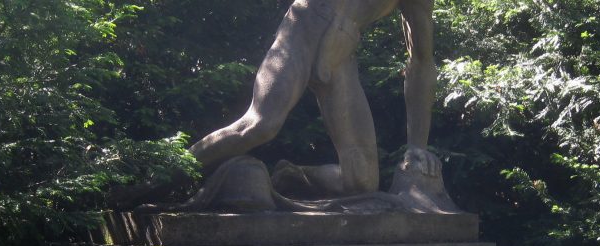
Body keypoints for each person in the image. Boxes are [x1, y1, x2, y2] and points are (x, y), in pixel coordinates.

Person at [188, 0, 439, 198]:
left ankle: (292, 175)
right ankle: (168, 173)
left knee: (361, 181)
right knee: (259, 126)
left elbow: (422, 62)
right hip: (306, 26)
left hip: (341, 51)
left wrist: (417, 145)